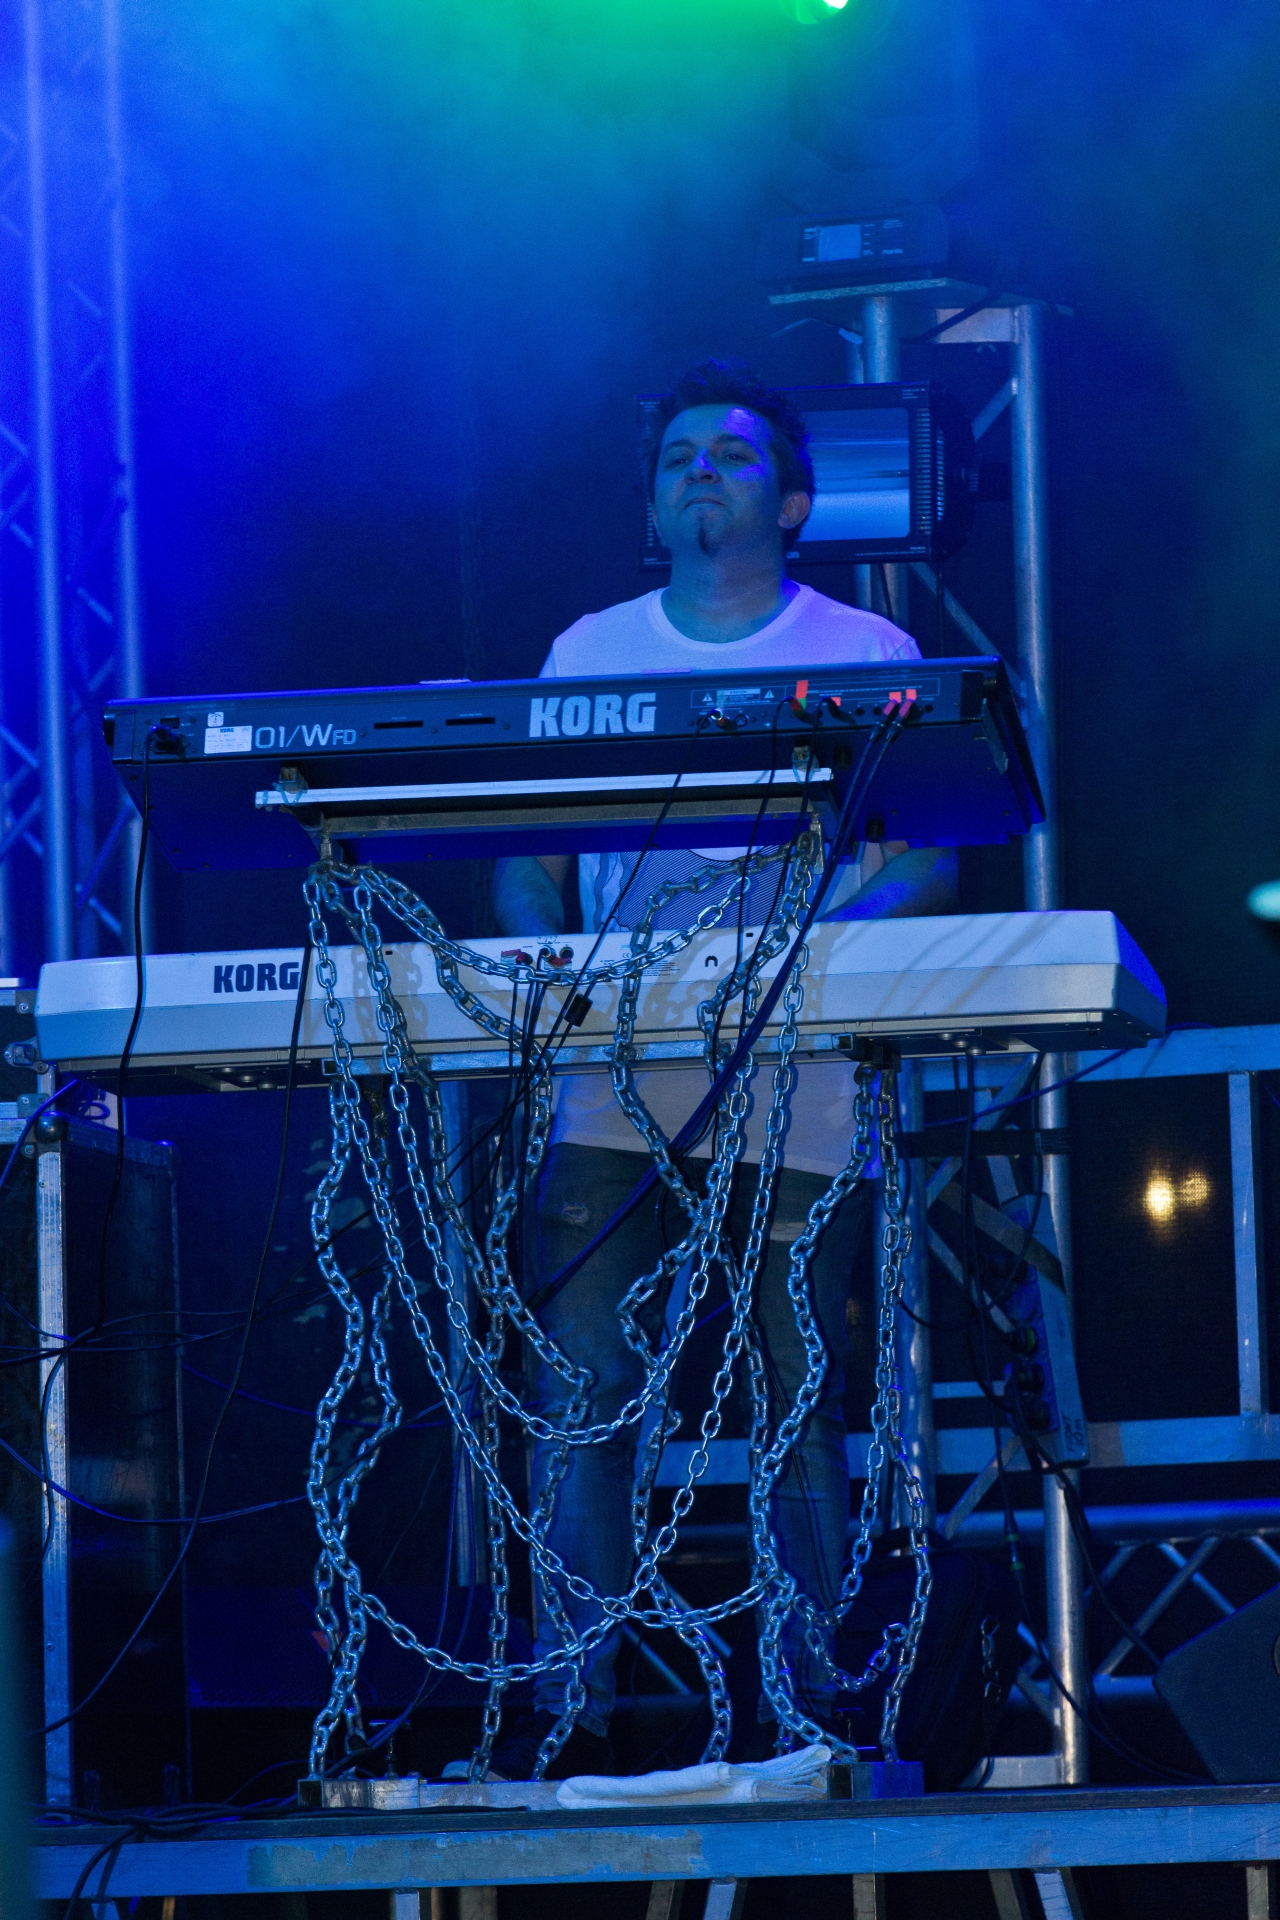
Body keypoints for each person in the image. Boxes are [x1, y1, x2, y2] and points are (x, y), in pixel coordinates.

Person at [482, 361, 956, 1780]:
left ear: (793, 503)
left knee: (795, 1392)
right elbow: (524, 858)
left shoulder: (864, 645)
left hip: (799, 1087)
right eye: (678, 454)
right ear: (651, 506)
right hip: (608, 1093)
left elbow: (931, 857)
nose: (700, 470)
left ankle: (811, 1716)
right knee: (578, 1391)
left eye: (733, 455)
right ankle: (569, 1712)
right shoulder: (588, 651)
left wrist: (814, 957)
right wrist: (560, 974)